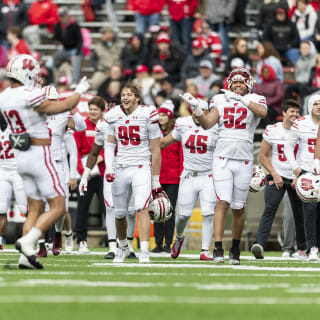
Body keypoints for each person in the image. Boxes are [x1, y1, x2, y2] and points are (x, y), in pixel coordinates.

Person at [0, 54, 89, 269]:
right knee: (59, 207)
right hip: (40, 154)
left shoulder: (4, 96)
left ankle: (25, 258)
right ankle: (27, 241)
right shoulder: (29, 94)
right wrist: (78, 92)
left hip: (20, 156)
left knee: (35, 209)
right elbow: (62, 106)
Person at [180, 67, 267, 264]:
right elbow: (207, 124)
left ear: (248, 85)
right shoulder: (220, 99)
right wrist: (197, 109)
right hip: (222, 159)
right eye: (234, 82)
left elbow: (262, 112)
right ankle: (217, 248)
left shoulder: (257, 99)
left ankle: (235, 249)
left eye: (241, 82)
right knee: (222, 202)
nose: (237, 85)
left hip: (244, 160)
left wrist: (242, 100)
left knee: (238, 207)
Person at [104, 83, 162, 263]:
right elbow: (109, 144)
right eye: (123, 94)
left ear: (137, 98)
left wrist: (155, 179)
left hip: (141, 166)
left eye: (129, 94)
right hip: (121, 166)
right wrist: (109, 167)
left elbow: (156, 149)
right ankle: (122, 247)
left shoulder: (148, 113)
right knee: (119, 213)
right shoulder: (113, 115)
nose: (125, 97)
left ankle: (144, 251)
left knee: (142, 208)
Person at [161, 99, 217, 260]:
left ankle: (205, 250)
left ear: (207, 112)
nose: (198, 114)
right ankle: (179, 237)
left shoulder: (215, 127)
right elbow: (165, 141)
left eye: (201, 111)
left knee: (208, 213)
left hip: (208, 175)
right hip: (188, 175)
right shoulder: (183, 123)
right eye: (195, 110)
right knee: (183, 215)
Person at [251, 99, 306, 260]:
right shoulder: (273, 130)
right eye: (292, 112)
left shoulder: (303, 130)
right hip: (277, 176)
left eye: (297, 112)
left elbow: (306, 154)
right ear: (283, 113)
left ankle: (302, 248)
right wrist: (274, 174)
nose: (295, 115)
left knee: (299, 214)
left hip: (296, 176)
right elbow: (263, 155)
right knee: (269, 209)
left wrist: (299, 175)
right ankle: (259, 244)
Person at [79, 108, 137, 260]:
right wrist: (85, 175)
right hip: (111, 171)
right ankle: (113, 246)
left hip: (132, 168)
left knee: (130, 210)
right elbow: (94, 152)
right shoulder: (103, 125)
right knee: (111, 208)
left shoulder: (135, 122)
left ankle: (129, 247)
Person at [36, 85, 86, 257]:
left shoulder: (63, 114)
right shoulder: (36, 114)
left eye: (54, 101)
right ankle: (41, 244)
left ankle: (58, 234)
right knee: (39, 206)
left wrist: (73, 109)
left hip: (58, 165)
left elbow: (81, 126)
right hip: (40, 164)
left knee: (62, 209)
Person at [284, 94, 320, 261]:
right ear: (310, 106)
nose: (319, 107)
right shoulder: (300, 123)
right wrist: (295, 168)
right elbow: (288, 146)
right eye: (316, 104)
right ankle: (312, 246)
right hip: (307, 171)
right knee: (310, 211)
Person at [74, 97, 106, 254]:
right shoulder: (81, 126)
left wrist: (103, 157)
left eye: (96, 109)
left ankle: (113, 239)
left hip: (103, 172)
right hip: (86, 173)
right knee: (82, 207)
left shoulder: (106, 126)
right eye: (91, 109)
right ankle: (81, 241)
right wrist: (82, 173)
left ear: (102, 111)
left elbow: (111, 145)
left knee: (107, 207)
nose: (93, 112)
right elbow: (76, 150)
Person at [151, 100, 182, 253]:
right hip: (156, 177)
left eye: (163, 115)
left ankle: (168, 243)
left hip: (172, 179)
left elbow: (181, 157)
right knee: (156, 211)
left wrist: (181, 175)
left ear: (169, 117)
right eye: (159, 115)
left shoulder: (175, 135)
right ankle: (157, 243)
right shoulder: (153, 133)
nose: (161, 118)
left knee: (169, 211)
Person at [0, 112, 27, 251]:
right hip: (2, 171)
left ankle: (33, 239)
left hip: (18, 171)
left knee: (25, 209)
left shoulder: (17, 128)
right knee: (1, 209)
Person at [52, 7, 83, 83]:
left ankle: (75, 81)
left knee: (76, 60)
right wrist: (56, 42)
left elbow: (80, 41)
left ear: (67, 15)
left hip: (74, 49)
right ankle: (54, 81)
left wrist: (76, 53)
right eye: (60, 16)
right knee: (51, 62)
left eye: (63, 15)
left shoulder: (75, 25)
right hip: (64, 49)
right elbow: (54, 38)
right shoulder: (57, 26)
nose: (62, 18)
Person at [90, 26, 124, 91]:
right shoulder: (98, 46)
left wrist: (121, 68)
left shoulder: (120, 45)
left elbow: (125, 58)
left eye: (104, 33)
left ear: (111, 34)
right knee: (94, 84)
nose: (102, 35)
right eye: (102, 34)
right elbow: (93, 59)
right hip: (103, 71)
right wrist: (97, 67)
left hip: (116, 71)